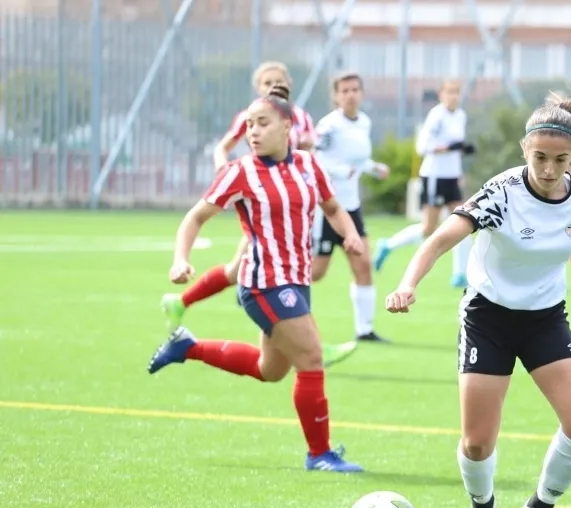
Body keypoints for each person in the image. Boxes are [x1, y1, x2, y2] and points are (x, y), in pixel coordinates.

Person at [384, 93, 571, 508]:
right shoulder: (501, 194)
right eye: (540, 158)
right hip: (489, 318)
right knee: (477, 442)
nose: (549, 170)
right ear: (525, 150)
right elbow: (441, 239)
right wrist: (408, 284)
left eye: (560, 160)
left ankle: (542, 505)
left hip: (545, 319)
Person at [147, 85, 367, 473]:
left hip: (296, 281)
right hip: (263, 283)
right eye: (249, 125)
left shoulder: (308, 165)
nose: (253, 131)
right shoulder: (240, 172)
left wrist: (348, 233)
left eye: (262, 123)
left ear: (288, 126)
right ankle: (319, 454)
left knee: (272, 370)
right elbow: (195, 217)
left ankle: (188, 347)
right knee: (312, 357)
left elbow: (333, 207)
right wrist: (180, 259)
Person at [159, 61, 357, 366]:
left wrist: (350, 232)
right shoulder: (248, 135)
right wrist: (224, 172)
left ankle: (186, 336)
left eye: (276, 82)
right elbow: (221, 152)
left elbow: (326, 192)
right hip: (263, 224)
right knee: (248, 269)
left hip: (295, 232)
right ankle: (312, 344)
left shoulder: (301, 131)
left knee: (270, 369)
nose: (271, 88)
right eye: (265, 83)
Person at [311, 71, 391, 343]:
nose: (350, 95)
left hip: (351, 209)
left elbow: (359, 159)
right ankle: (268, 290)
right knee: (316, 272)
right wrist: (338, 170)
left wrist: (373, 167)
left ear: (362, 93)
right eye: (344, 90)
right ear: (335, 96)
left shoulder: (363, 123)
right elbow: (314, 159)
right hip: (326, 210)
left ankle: (364, 330)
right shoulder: (329, 126)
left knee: (364, 266)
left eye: (355, 89)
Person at [373, 79, 474, 288]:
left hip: (452, 176)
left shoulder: (461, 116)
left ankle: (459, 275)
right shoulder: (437, 115)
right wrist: (448, 147)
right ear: (441, 95)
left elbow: (455, 148)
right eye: (450, 92)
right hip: (434, 176)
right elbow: (422, 146)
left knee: (463, 221)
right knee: (429, 228)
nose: (454, 96)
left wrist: (461, 151)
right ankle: (388, 245)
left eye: (457, 92)